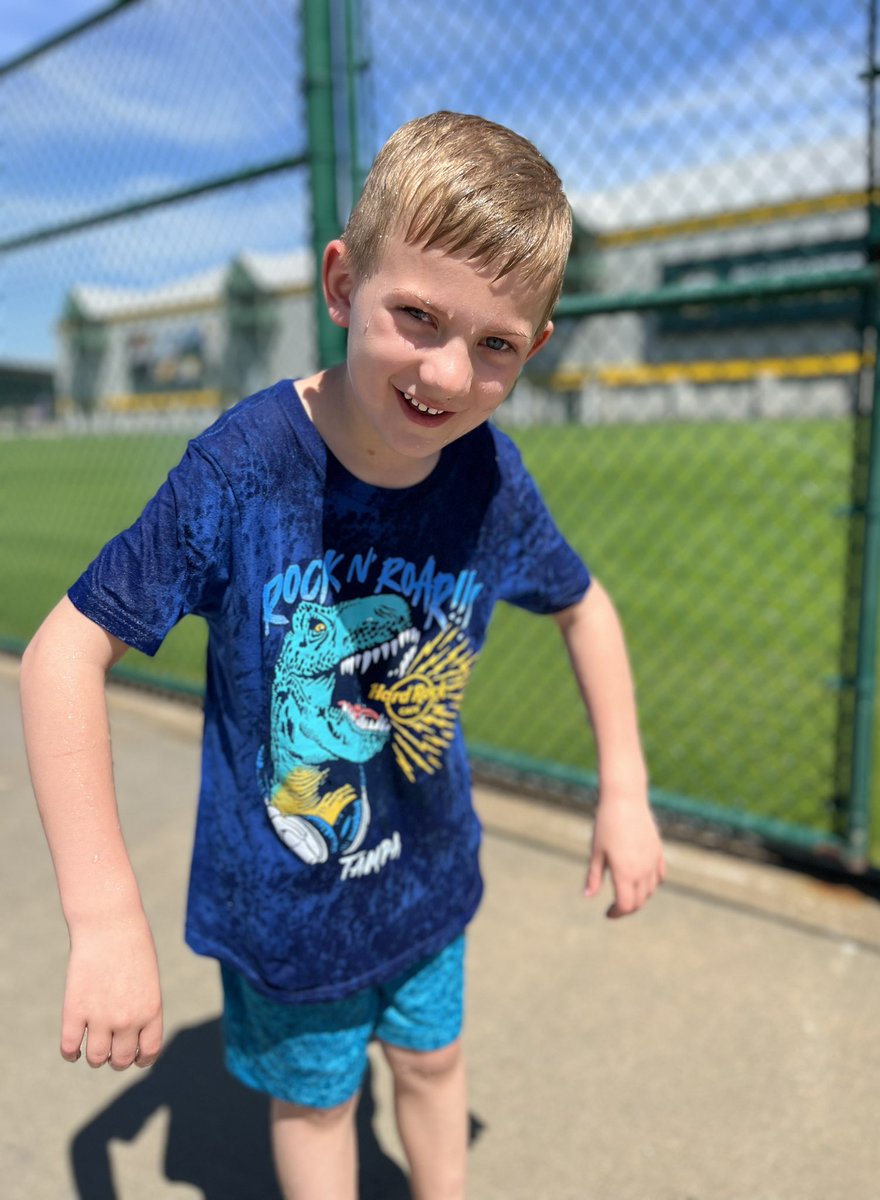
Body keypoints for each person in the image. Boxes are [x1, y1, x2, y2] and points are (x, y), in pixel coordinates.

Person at [20, 110, 665, 1200]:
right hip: (287, 901)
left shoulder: (489, 480)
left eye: (497, 344)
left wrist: (628, 788)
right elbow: (59, 657)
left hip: (427, 878)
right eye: (417, 316)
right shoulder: (239, 473)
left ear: (536, 346)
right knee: (316, 1108)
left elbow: (585, 606)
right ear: (341, 284)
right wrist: (103, 913)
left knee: (434, 1061)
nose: (449, 375)